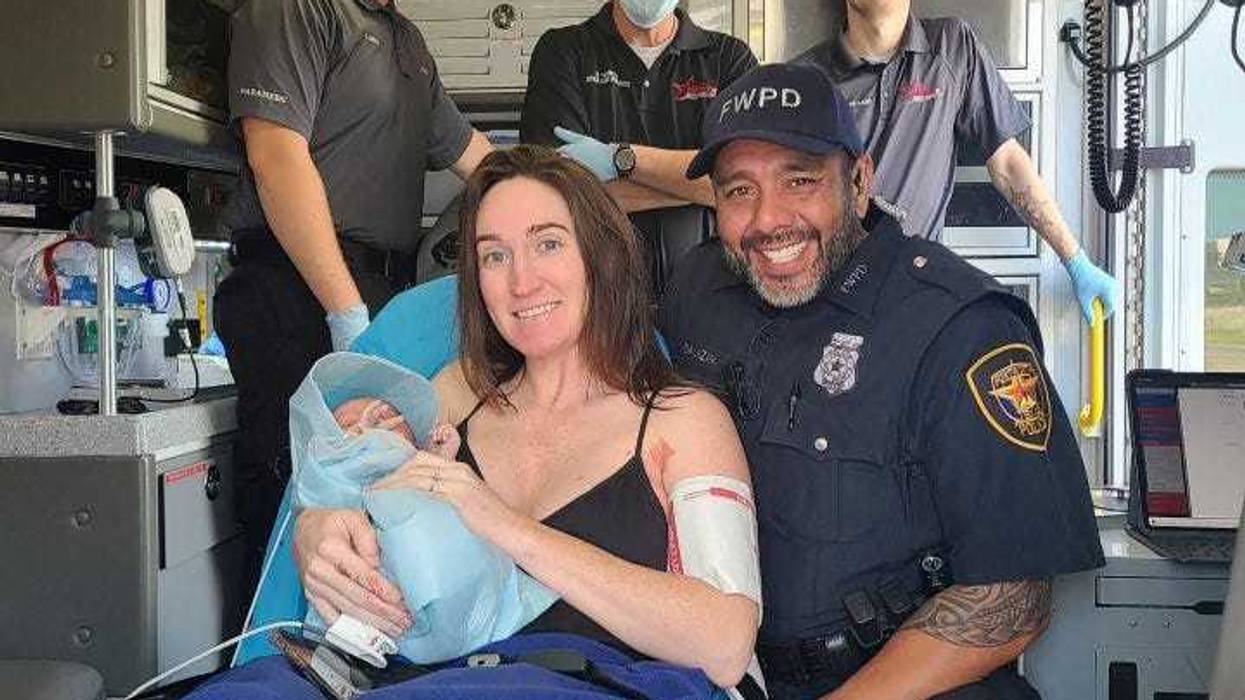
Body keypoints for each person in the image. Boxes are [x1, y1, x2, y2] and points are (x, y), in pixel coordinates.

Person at [661, 63, 1105, 699]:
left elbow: (1012, 597)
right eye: (738, 191)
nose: (767, 220)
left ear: (860, 182)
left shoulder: (960, 324)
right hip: (724, 675)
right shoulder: (698, 289)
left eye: (800, 180)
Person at [279, 146, 762, 694]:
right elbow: (361, 487)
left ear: (598, 258)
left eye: (548, 243)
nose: (522, 282)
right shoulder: (455, 394)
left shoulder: (683, 422)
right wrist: (315, 526)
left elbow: (724, 644)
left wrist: (507, 528)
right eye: (494, 256)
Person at [215, 0, 494, 591]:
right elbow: (276, 159)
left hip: (378, 288)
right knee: (298, 491)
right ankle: (274, 657)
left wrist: (562, 189)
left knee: (370, 489)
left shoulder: (406, 41)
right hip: (298, 287)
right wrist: (344, 310)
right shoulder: (298, 10)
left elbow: (476, 158)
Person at [794, 0, 1119, 323]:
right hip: (833, 303)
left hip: (917, 299)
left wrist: (1075, 259)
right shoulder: (805, 79)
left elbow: (1007, 163)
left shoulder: (952, 47)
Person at [520, 0, 757, 284]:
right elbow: (556, 193)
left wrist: (621, 159)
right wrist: (706, 189)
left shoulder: (729, 58)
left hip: (715, 289)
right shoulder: (563, 52)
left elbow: (751, 185)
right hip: (597, 288)